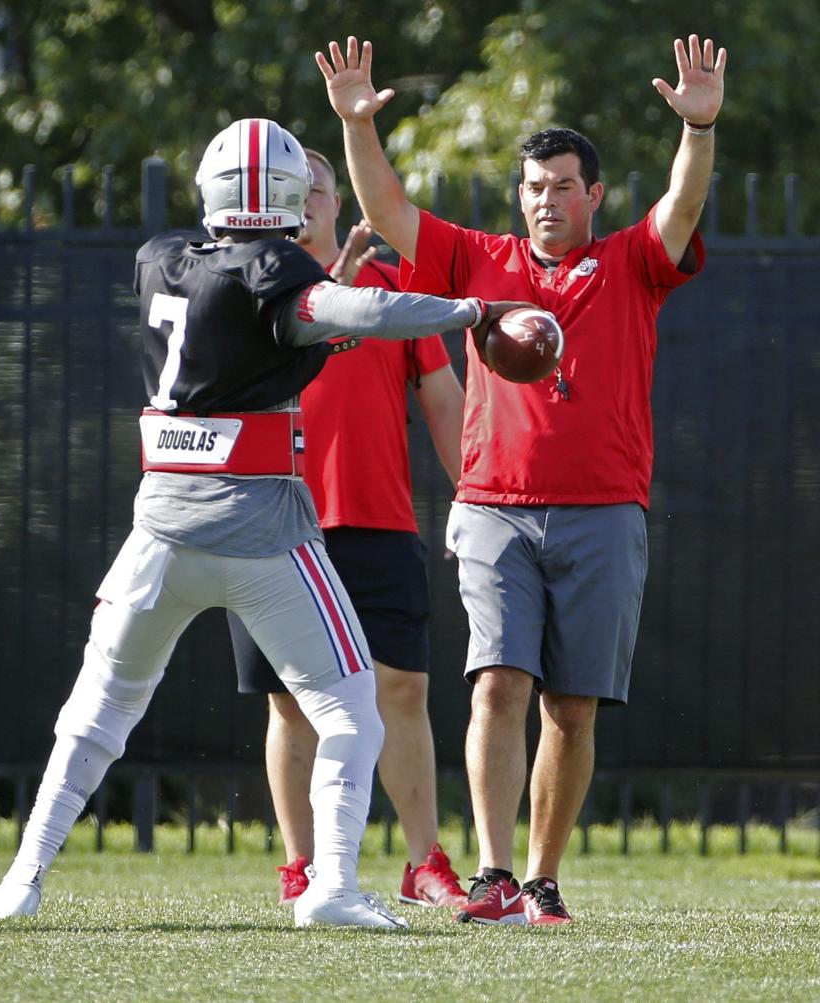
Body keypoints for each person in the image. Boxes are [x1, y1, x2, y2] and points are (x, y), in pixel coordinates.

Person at [0, 117, 527, 929]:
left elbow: (257, 337)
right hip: (261, 532)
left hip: (159, 533)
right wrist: (470, 309)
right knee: (350, 708)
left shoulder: (159, 258)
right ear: (293, 196)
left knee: (99, 708)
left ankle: (22, 876)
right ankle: (328, 886)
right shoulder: (279, 268)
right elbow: (344, 312)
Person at [316, 34, 726, 924]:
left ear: (594, 195)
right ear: (521, 197)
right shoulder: (477, 258)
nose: (548, 201)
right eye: (535, 188)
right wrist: (357, 125)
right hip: (496, 508)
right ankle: (493, 874)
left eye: (565, 186)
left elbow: (682, 210)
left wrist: (698, 130)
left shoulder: (629, 262)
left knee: (573, 707)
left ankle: (542, 877)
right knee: (498, 682)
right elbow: (385, 209)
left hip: (605, 511)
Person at [226, 148, 469, 909]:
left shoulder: (390, 289)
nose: (306, 206)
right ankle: (301, 867)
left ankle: (423, 862)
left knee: (401, 688)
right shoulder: (242, 291)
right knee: (291, 701)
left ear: (337, 202)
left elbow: (441, 395)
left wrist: (476, 492)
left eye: (318, 192)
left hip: (377, 520)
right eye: (291, 195)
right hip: (272, 522)